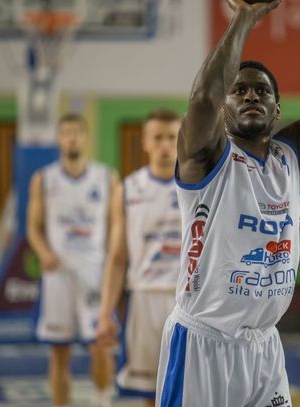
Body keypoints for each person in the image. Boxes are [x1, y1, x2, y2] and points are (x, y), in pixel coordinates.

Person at [155, 0, 300, 406]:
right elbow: (202, 99)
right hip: (203, 342)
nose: (251, 95)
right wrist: (244, 17)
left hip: (264, 346)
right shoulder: (206, 157)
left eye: (262, 91)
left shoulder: (293, 155)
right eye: (239, 90)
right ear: (225, 107)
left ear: (276, 109)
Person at [27, 114, 117, 407]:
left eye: (77, 132)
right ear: (59, 139)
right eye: (66, 132)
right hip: (58, 276)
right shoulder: (43, 179)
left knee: (100, 345)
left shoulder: (106, 177)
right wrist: (44, 252)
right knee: (59, 351)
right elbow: (33, 227)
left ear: (86, 137)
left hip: (94, 275)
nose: (72, 137)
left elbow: (116, 227)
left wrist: (113, 263)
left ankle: (102, 400)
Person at [96, 110, 182, 407]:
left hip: (188, 301)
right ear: (145, 142)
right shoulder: (128, 189)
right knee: (150, 394)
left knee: (191, 391)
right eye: (157, 138)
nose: (164, 145)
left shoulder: (198, 186)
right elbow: (117, 256)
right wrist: (105, 312)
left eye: (171, 137)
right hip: (144, 298)